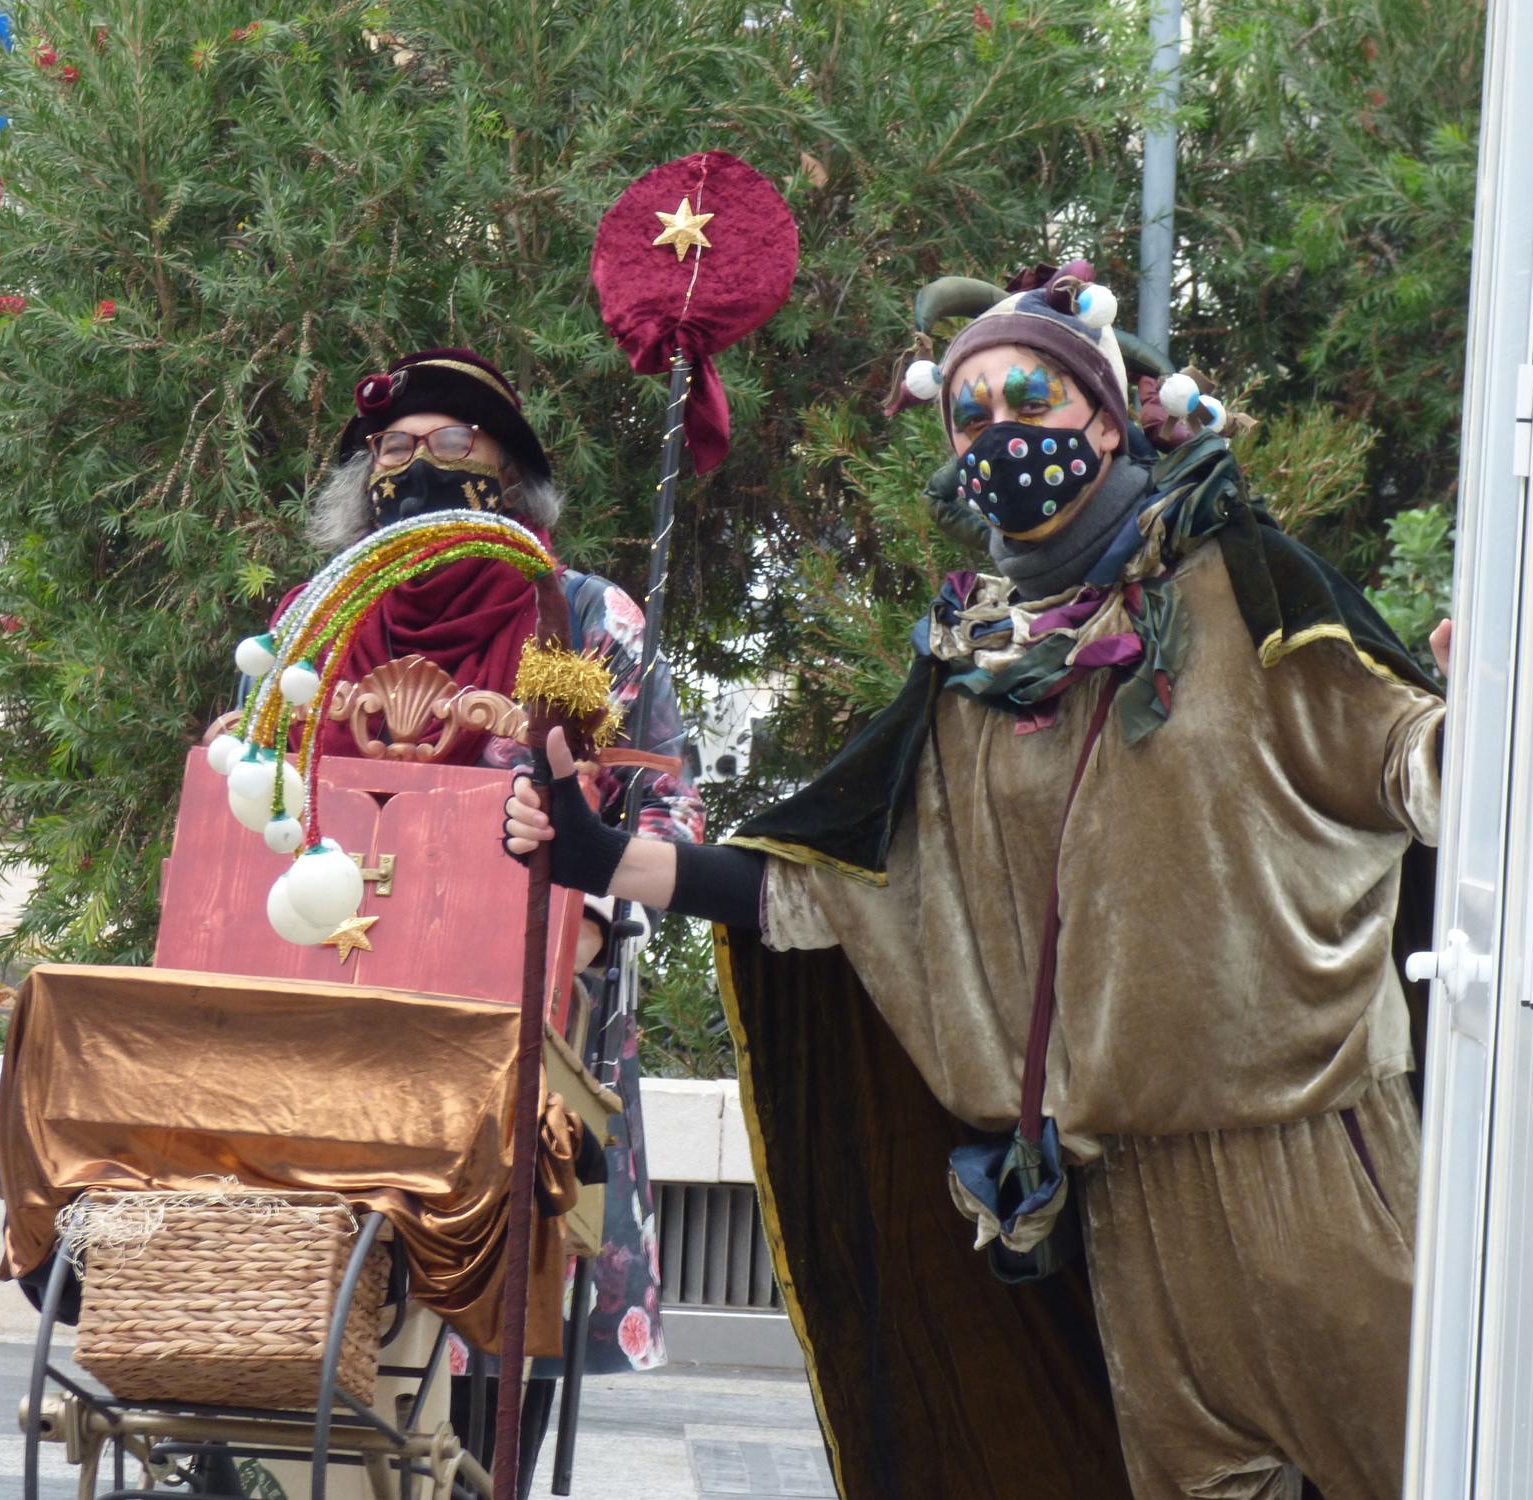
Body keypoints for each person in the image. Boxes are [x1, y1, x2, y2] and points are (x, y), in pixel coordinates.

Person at [504, 267, 1445, 1500]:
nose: (1002, 435)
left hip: (1309, 1164)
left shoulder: (1245, 588)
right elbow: (835, 885)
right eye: (969, 417)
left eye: (1030, 399)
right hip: (1123, 1204)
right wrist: (595, 854)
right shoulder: (973, 668)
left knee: (1424, 1470)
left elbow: (1408, 761)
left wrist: (1503, 717)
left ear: (1106, 418)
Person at [301, 347, 702, 1486]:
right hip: (322, 1047)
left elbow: (669, 817)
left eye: (451, 446)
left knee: (478, 1413)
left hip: (518, 1051)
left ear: (510, 476)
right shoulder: (310, 622)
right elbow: (251, 787)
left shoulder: (583, 621)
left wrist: (590, 889)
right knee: (304, 1384)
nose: (416, 468)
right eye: (391, 450)